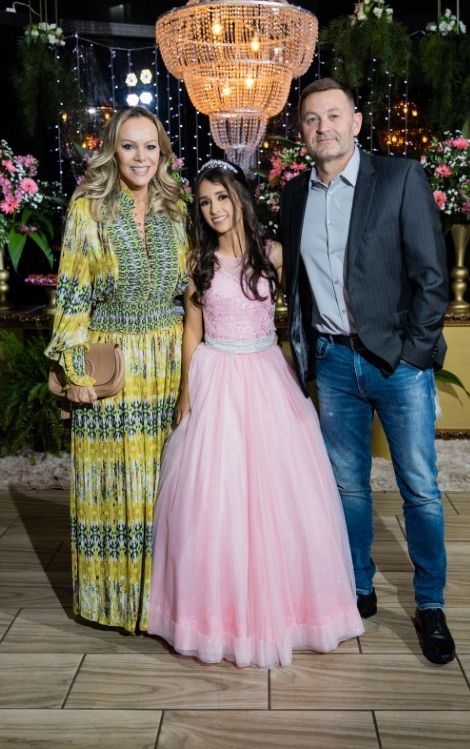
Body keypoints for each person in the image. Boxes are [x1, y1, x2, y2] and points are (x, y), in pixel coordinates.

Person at [147, 159, 364, 668]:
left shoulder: (274, 255)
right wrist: (185, 393)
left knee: (283, 494)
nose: (214, 209)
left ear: (240, 198)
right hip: (217, 377)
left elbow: (307, 309)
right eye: (204, 202)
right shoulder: (199, 261)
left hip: (268, 375)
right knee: (215, 497)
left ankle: (293, 610)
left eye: (221, 197)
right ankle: (216, 619)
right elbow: (193, 330)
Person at [279, 77, 456, 665]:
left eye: (334, 115)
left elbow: (432, 278)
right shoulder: (294, 195)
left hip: (396, 362)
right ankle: (359, 586)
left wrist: (413, 355)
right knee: (348, 486)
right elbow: (295, 285)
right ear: (301, 131)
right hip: (333, 364)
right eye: (311, 118)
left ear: (356, 122)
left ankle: (430, 604)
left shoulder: (400, 178)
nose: (323, 127)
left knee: (420, 488)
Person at [44, 106, 189, 634]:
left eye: (150, 146)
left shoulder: (177, 206)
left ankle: (165, 606)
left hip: (169, 363)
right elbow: (72, 294)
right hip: (115, 364)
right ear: (112, 150)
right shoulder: (89, 208)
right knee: (115, 485)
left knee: (167, 486)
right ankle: (115, 604)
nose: (140, 157)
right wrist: (77, 373)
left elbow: (196, 285)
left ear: (163, 153)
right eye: (129, 146)